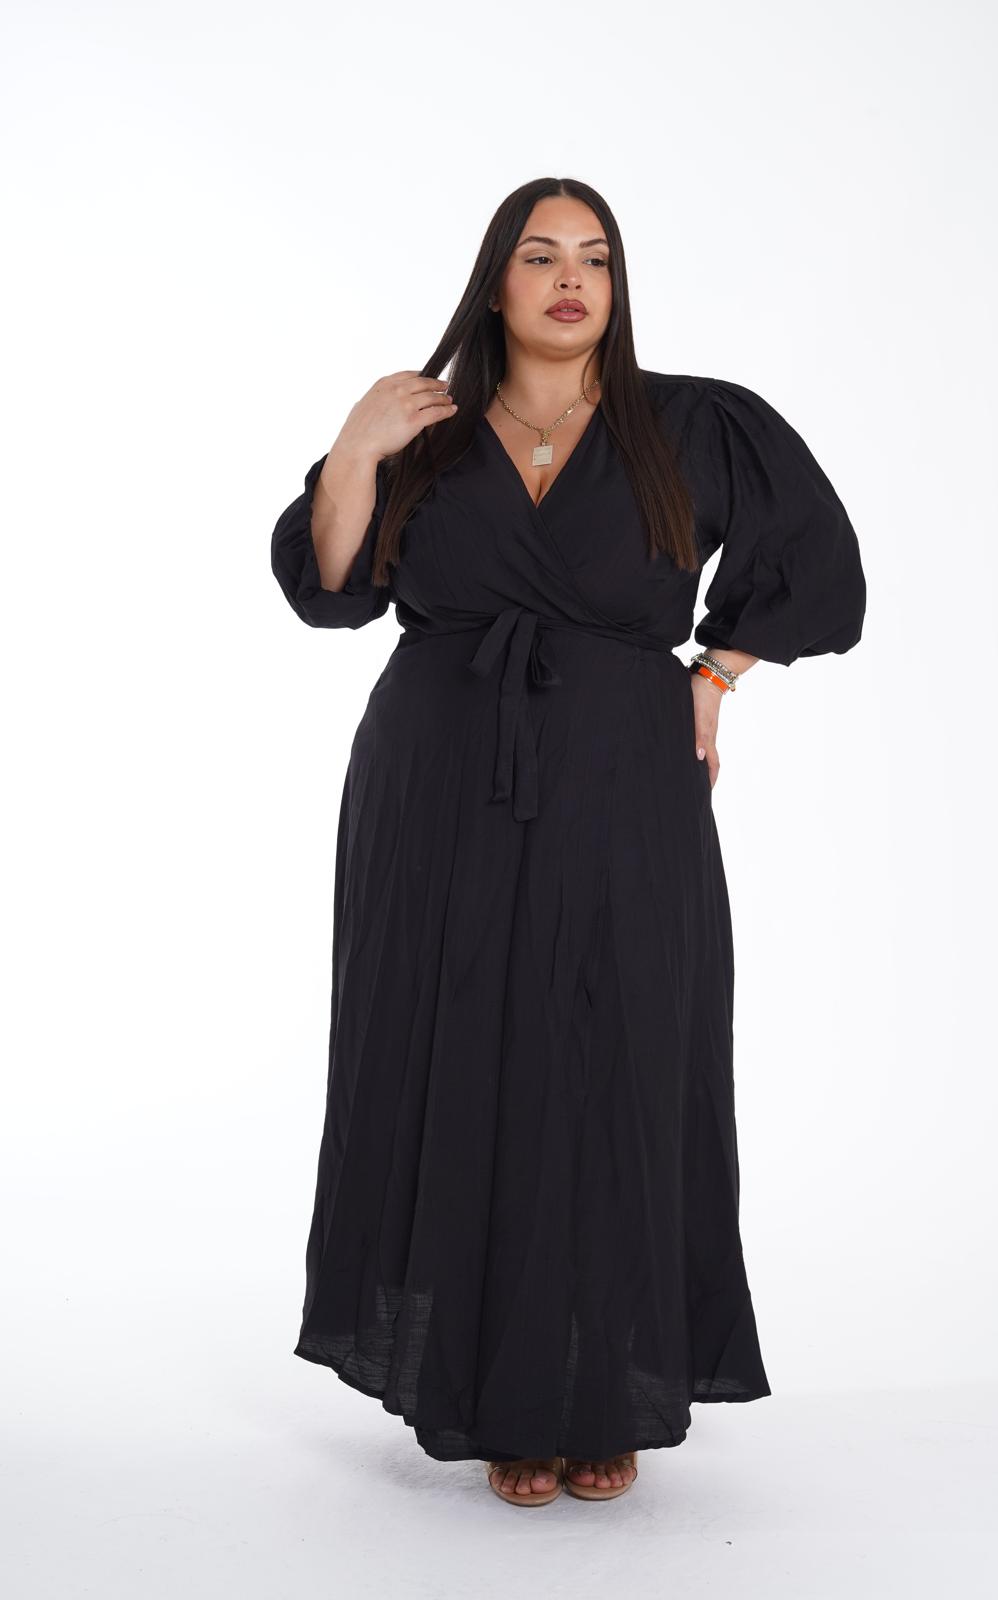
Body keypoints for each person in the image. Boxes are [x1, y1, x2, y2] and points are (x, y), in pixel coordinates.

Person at [270, 177, 866, 1509]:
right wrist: (354, 447)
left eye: (593, 258)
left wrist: (714, 673)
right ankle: (492, 1399)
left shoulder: (691, 423)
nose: (568, 280)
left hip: (622, 778)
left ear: (616, 284)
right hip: (435, 781)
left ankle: (603, 1390)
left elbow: (819, 561)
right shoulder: (421, 430)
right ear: (495, 282)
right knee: (456, 1053)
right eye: (539, 256)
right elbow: (332, 590)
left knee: (618, 1058)